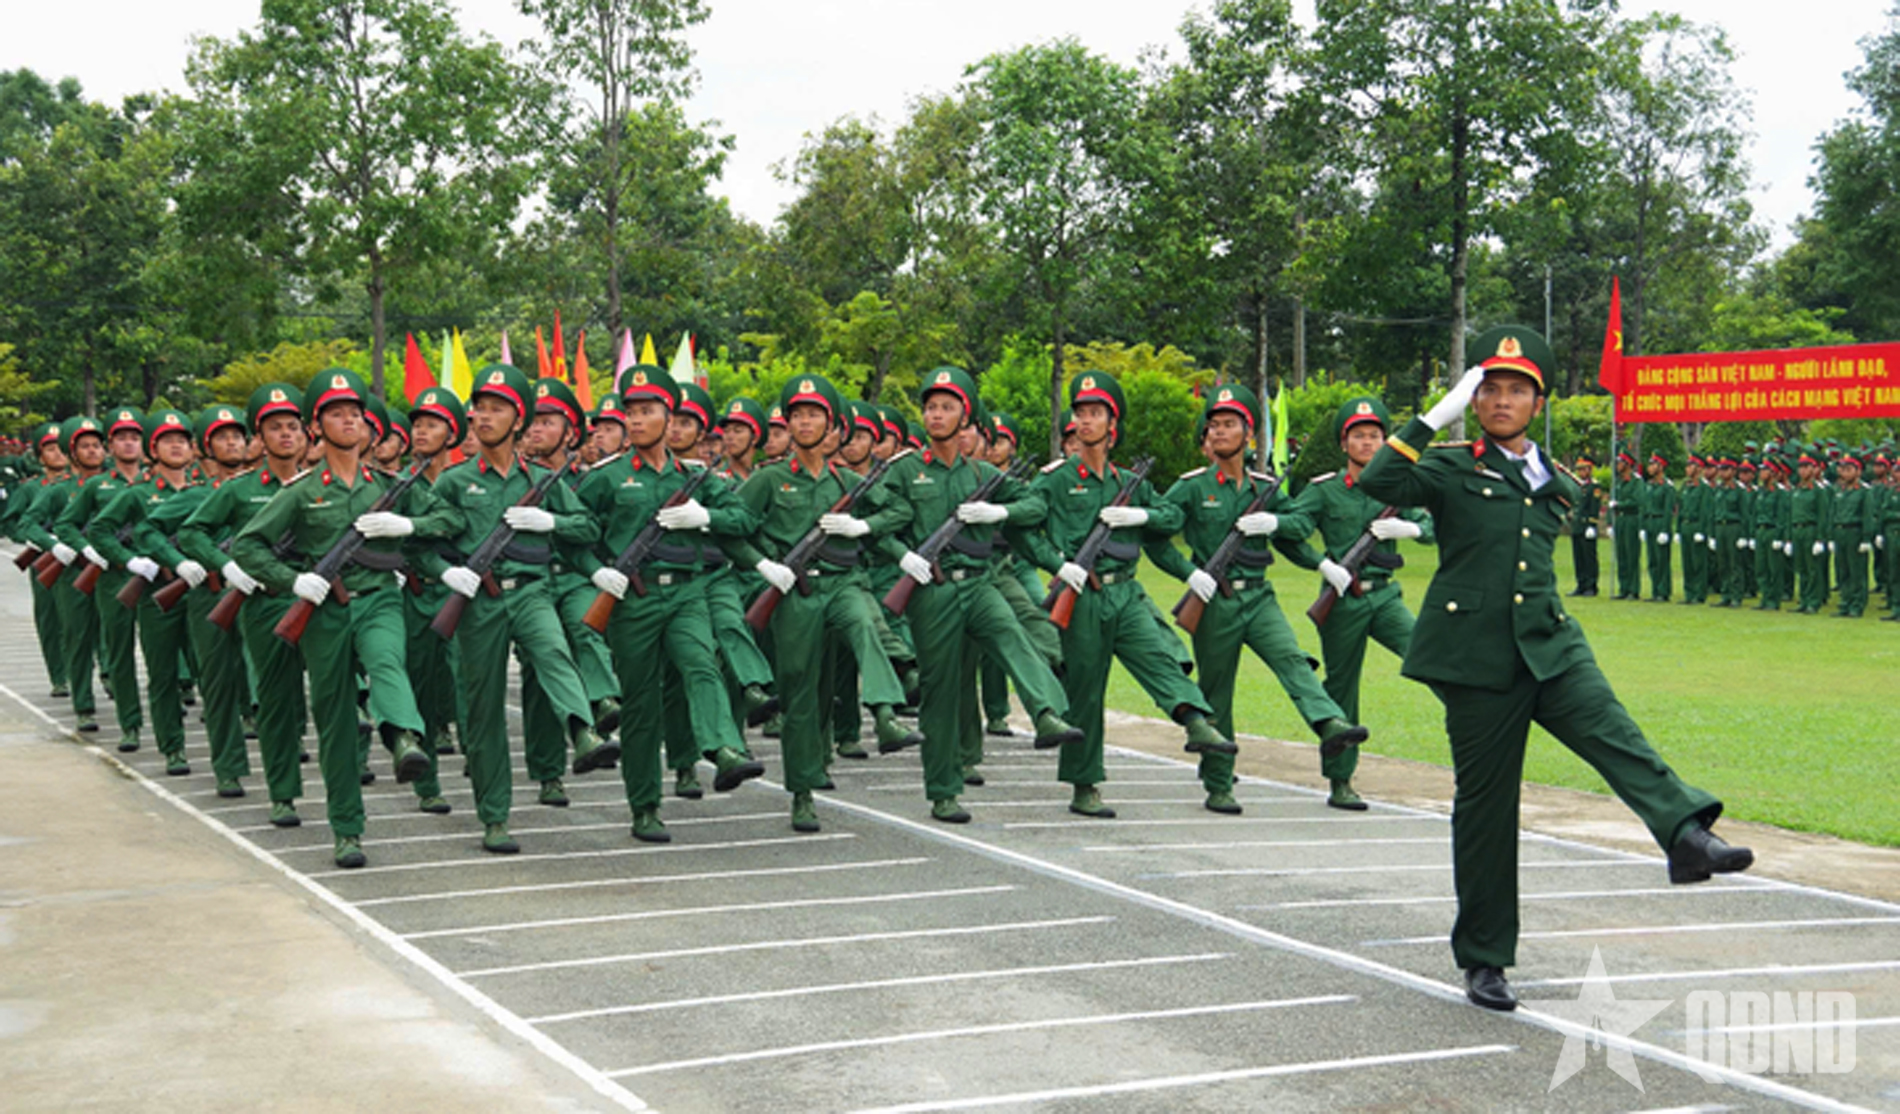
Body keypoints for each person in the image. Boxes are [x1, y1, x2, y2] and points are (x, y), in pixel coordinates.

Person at [1360, 325, 1752, 1013]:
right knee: (1486, 811)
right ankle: (1484, 960)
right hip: (1477, 660)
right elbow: (1379, 480)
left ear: (1537, 402)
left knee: (1615, 732)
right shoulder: (1452, 466)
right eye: (1489, 389)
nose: (1501, 400)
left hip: (1550, 642)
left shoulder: (1562, 484)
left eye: (1516, 390)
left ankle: (1687, 835)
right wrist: (1433, 416)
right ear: (1474, 400)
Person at [231, 369, 445, 867]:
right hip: (325, 612)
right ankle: (347, 830)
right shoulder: (302, 491)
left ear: (368, 425)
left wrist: (408, 523)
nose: (348, 421)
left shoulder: (391, 486)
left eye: (355, 413)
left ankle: (404, 737)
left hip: (378, 598)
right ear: (317, 427)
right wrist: (291, 580)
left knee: (387, 661)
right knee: (336, 724)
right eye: (335, 414)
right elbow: (248, 544)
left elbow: (448, 520)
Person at [410, 365, 616, 853]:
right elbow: (420, 543)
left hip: (531, 590)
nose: (483, 416)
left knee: (553, 650)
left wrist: (550, 521)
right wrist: (444, 572)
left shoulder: (543, 480)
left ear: (518, 417)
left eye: (496, 408)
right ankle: (494, 816)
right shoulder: (456, 481)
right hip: (477, 601)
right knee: (482, 715)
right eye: (479, 407)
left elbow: (587, 528)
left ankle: (582, 732)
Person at [864, 367, 1082, 822]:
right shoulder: (904, 471)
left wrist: (997, 509)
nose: (936, 415)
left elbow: (1036, 504)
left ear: (965, 416)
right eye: (930, 407)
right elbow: (875, 524)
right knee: (942, 693)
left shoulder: (982, 474)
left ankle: (1046, 713)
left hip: (979, 584)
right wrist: (903, 556)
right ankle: (944, 790)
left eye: (946, 407)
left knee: (1011, 635)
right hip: (933, 591)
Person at [1018, 370, 1233, 818]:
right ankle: (1084, 785)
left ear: (1112, 427)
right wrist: (1059, 565)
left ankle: (1195, 721)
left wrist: (1136, 515)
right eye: (1080, 413)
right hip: (1082, 596)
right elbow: (1021, 527)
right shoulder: (1056, 479)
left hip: (1125, 592)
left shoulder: (1128, 482)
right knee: (1086, 693)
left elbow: (1170, 516)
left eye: (1095, 413)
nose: (1085, 421)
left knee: (1157, 653)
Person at [573, 366, 766, 842]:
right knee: (641, 708)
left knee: (701, 663)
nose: (635, 421)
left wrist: (706, 515)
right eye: (631, 412)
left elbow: (743, 519)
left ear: (669, 416)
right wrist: (598, 571)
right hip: (632, 602)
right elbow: (574, 530)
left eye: (647, 412)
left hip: (686, 592)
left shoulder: (696, 478)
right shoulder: (606, 477)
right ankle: (644, 806)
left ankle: (724, 750)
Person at [1147, 386, 1360, 812]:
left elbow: (1298, 527)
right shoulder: (1192, 487)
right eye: (1216, 424)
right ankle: (1219, 784)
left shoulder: (1265, 488)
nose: (1221, 431)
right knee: (1217, 693)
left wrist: (1281, 525)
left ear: (1249, 434)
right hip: (1214, 602)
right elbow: (1156, 536)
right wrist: (1189, 573)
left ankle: (1329, 722)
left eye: (1231, 424)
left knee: (1291, 659)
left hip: (1259, 597)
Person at [1279, 395, 1432, 808]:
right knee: (1342, 691)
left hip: (1385, 597)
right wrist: (1321, 565)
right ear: (1344, 444)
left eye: (1375, 436)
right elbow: (1289, 530)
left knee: (1426, 653)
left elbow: (1431, 526)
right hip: (1343, 600)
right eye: (1359, 436)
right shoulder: (1325, 490)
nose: (1368, 443)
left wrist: (1409, 528)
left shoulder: (1400, 487)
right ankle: (1340, 782)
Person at [176, 385, 317, 827]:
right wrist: (226, 565)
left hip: (316, 600)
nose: (286, 435)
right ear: (260, 437)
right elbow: (192, 533)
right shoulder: (239, 490)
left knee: (326, 698)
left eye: (293, 426)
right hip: (262, 601)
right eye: (275, 428)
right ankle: (276, 790)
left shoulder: (322, 483)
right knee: (265, 698)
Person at [53, 406, 150, 751]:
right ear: (112, 445)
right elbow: (66, 524)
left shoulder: (154, 481)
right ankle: (128, 724)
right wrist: (88, 550)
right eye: (121, 438)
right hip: (114, 577)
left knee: (159, 655)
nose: (129, 444)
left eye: (134, 438)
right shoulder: (97, 485)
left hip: (154, 576)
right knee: (118, 652)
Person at [1829, 452, 1877, 618]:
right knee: (1843, 571)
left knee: (1857, 571)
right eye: (1842, 469)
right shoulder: (1838, 490)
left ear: (1858, 472)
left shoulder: (1864, 491)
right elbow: (1833, 513)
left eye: (1849, 469)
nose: (1844, 473)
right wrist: (1830, 536)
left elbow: (1867, 515)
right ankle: (1845, 602)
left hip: (1855, 532)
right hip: (1840, 532)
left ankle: (1857, 605)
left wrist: (1866, 538)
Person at [1638, 452, 1678, 602]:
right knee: (1652, 560)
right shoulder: (1649, 485)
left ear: (1661, 467)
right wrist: (1642, 526)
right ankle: (1655, 590)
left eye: (1653, 464)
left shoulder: (1667, 487)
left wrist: (1664, 530)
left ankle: (1663, 591)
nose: (1650, 467)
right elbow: (1644, 506)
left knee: (1662, 560)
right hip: (1649, 523)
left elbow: (1668, 510)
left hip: (1660, 522)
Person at [1608, 451, 1643, 599]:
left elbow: (1637, 501)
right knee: (1621, 555)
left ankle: (1633, 589)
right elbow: (1611, 504)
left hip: (1631, 519)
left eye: (1620, 463)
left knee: (1631, 555)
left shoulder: (1636, 482)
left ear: (1628, 464)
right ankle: (1624, 588)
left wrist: (1620, 504)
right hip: (1620, 521)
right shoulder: (1618, 482)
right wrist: (1610, 523)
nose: (1617, 466)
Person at [1567, 452, 1601, 597]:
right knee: (1578, 556)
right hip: (1577, 525)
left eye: (1583, 469)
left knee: (1589, 557)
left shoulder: (1594, 487)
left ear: (1590, 469)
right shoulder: (1577, 486)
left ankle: (1591, 585)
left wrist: (1592, 524)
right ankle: (1581, 584)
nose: (1580, 472)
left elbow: (1594, 506)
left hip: (1587, 525)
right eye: (1579, 469)